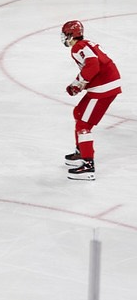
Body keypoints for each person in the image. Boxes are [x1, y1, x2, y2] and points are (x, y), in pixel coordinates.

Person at [61, 20, 122, 181]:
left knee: (83, 124)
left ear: (69, 35)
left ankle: (88, 166)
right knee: (79, 112)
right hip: (106, 84)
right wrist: (80, 84)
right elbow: (94, 65)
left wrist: (77, 83)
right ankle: (81, 151)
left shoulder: (77, 47)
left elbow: (93, 65)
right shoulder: (86, 44)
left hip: (104, 88)